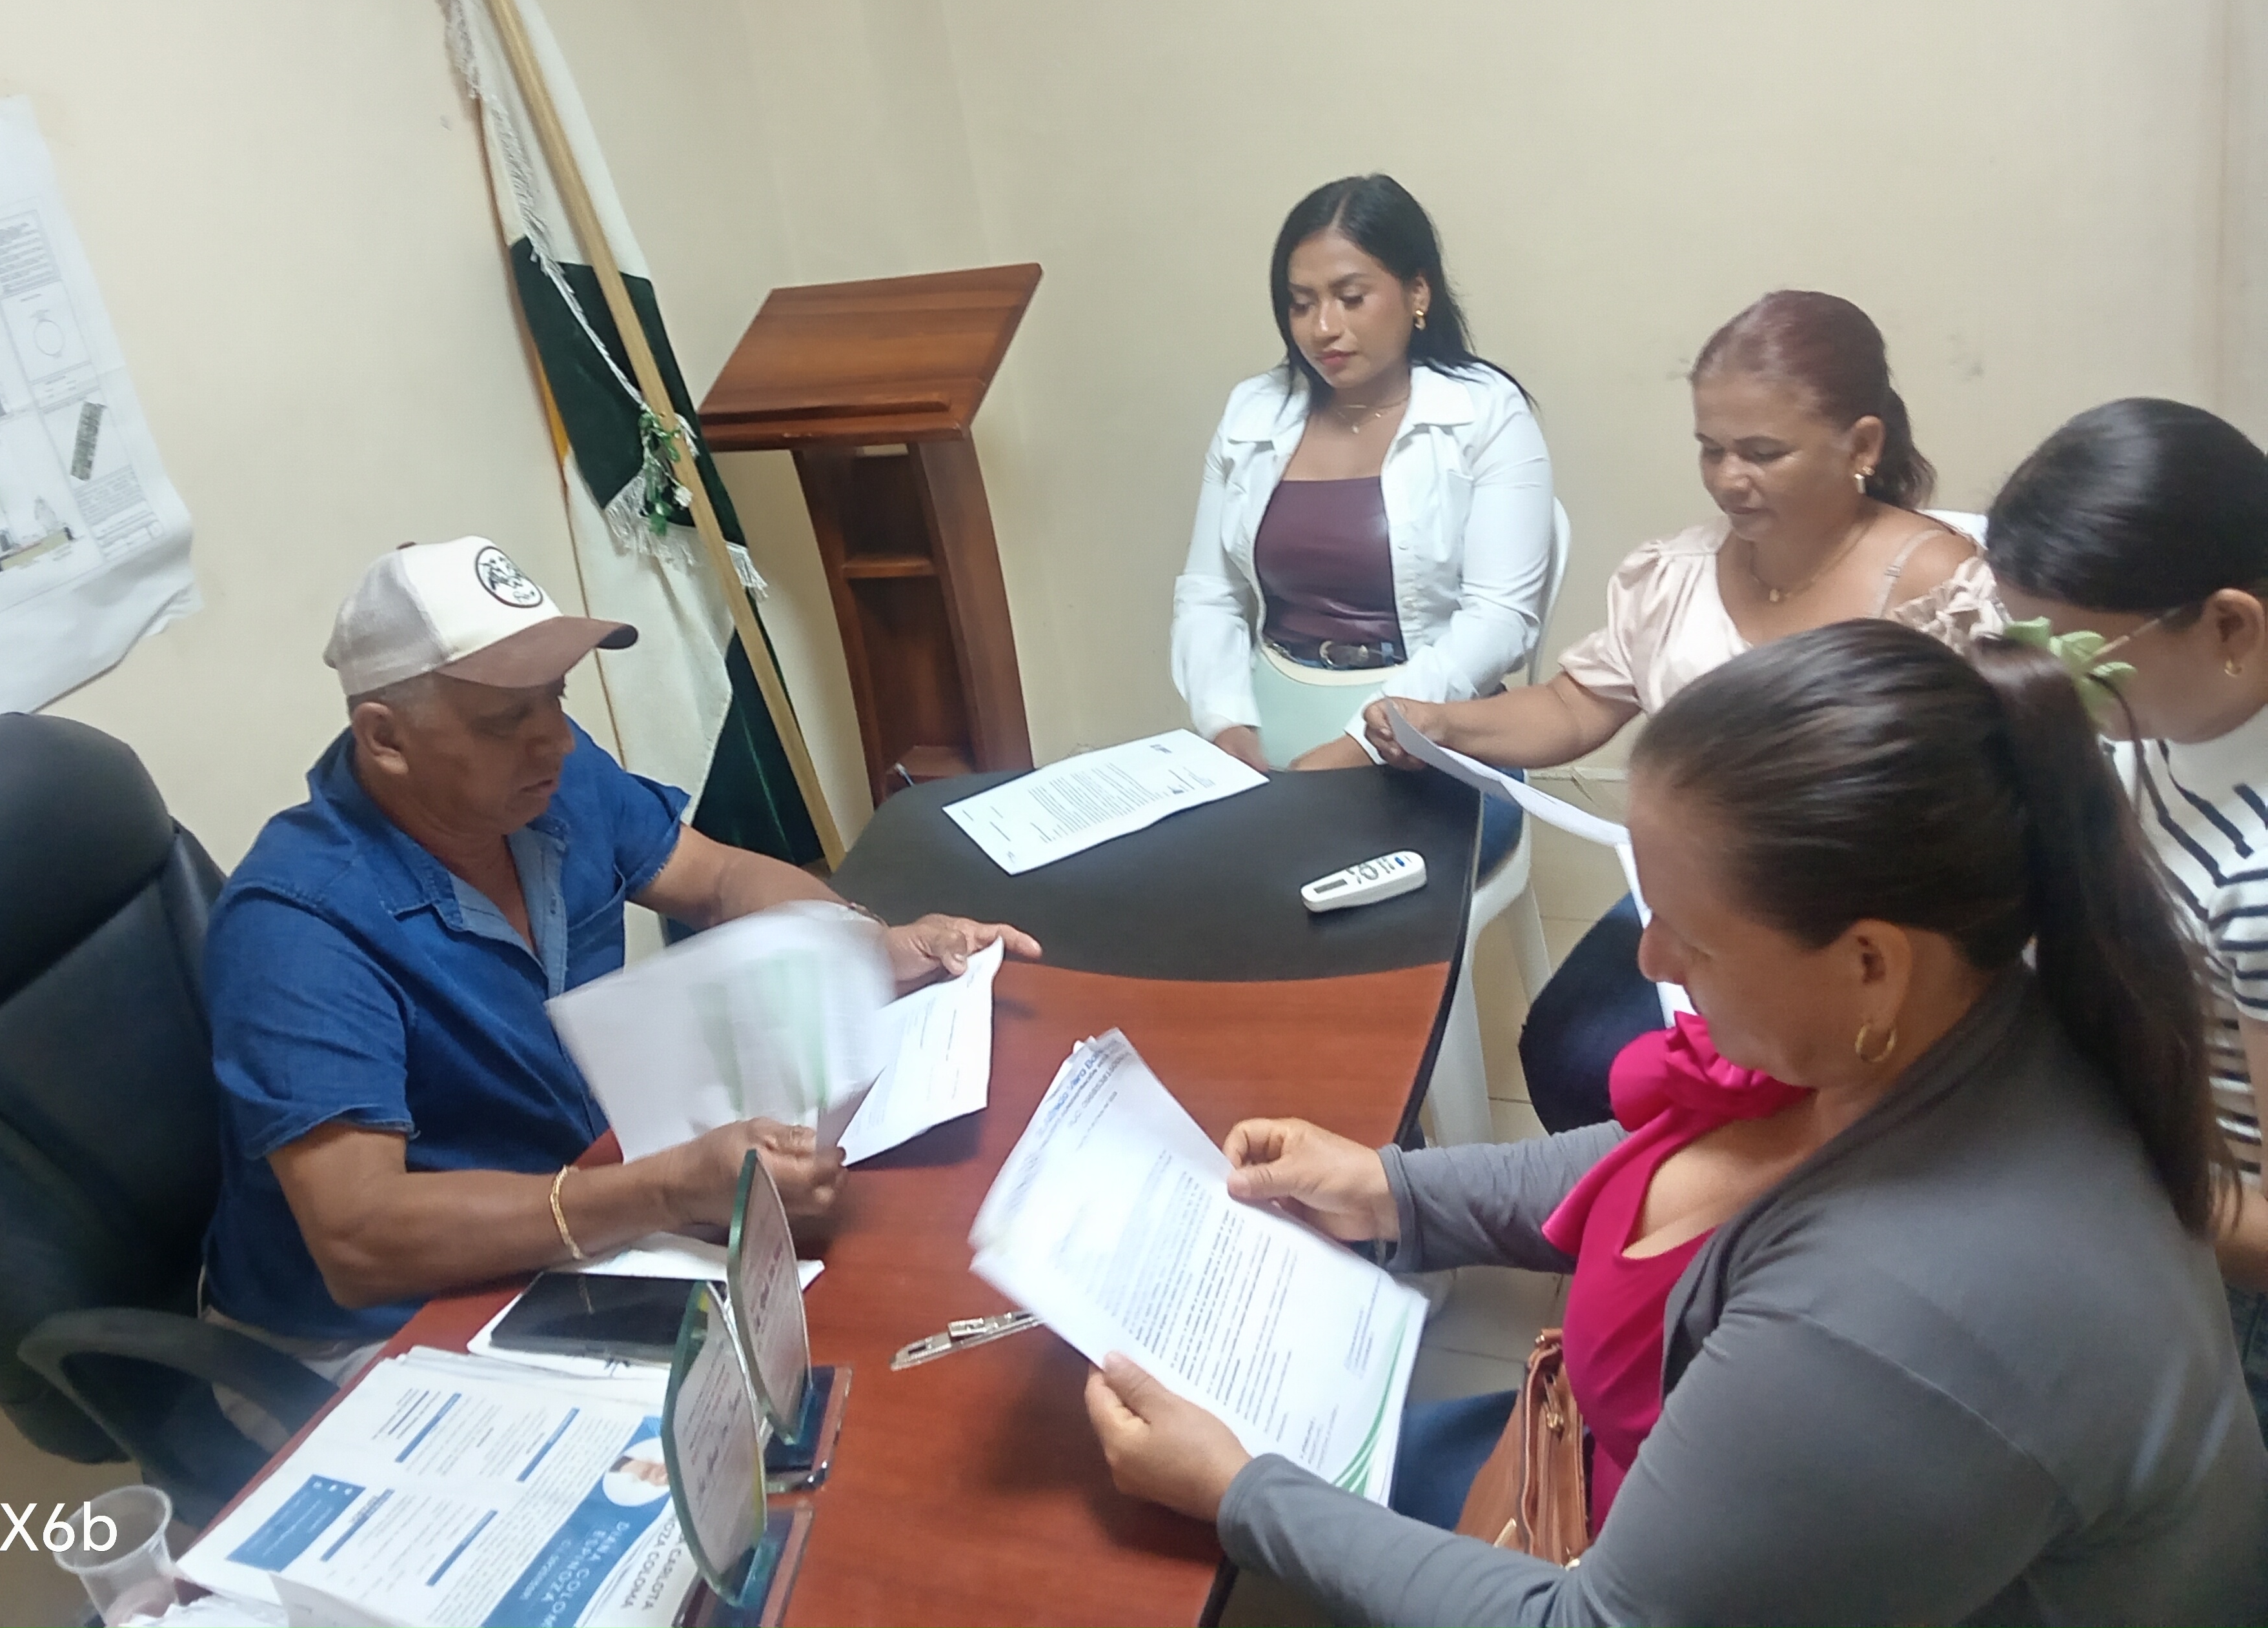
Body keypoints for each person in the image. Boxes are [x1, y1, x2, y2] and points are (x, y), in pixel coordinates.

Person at [1085, 620, 2268, 1625]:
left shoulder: (1900, 1324)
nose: (1650, 960)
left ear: (1870, 963)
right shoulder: (1946, 1018)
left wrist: (1238, 1492)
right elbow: (1692, 1161)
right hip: (1628, 1483)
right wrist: (1394, 1191)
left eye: (1692, 941)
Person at [198, 537, 1037, 1397]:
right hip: (385, 1325)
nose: (555, 741)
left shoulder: (545, 783)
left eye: (556, 698)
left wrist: (852, 947)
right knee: (775, 1417)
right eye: (505, 720)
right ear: (386, 738)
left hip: (581, 1209)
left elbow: (719, 880)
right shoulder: (296, 925)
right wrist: (665, 1191)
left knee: (892, 1296)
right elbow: (361, 1240)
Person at [1369, 289, 1979, 1129]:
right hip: (1699, 894)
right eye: (1711, 450)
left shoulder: (1936, 590)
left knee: (1791, 1084)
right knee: (1574, 1054)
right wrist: (1445, 726)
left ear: (1862, 445)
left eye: (1763, 453)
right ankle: (1658, 1201)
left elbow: (1982, 798)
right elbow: (1576, 705)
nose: (1730, 480)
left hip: (1859, 915)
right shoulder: (1678, 576)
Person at [1987, 397, 2268, 1445]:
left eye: (2079, 659)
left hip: (2227, 1276)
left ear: (2230, 626)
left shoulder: (2257, 880)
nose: (2051, 685)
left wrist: (2073, 1165)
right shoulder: (2166, 714)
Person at [1171, 175, 1553, 824]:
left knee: (1333, 873)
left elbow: (1499, 618)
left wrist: (1357, 746)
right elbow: (1210, 593)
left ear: (1418, 292)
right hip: (1273, 712)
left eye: (1352, 298)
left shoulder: (1485, 411)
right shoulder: (1252, 412)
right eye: (1301, 304)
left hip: (1433, 726)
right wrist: (1226, 724)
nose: (1324, 328)